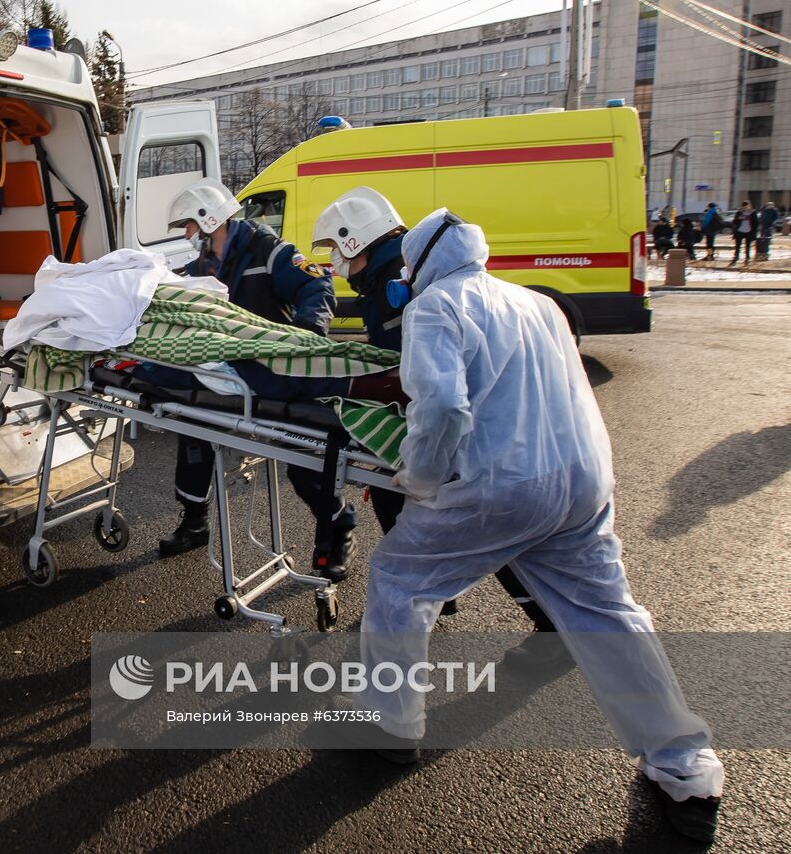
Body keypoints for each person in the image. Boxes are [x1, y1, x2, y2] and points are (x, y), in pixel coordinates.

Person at [345, 208, 724, 842]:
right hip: (580, 481)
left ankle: (392, 724)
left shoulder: (435, 308)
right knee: (608, 614)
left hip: (500, 488)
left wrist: (419, 480)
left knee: (400, 579)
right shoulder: (536, 304)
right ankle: (686, 767)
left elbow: (439, 408)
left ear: (423, 263)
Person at [314, 187, 563, 650]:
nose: (334, 264)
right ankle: (516, 611)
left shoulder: (400, 289)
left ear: (355, 241)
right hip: (527, 442)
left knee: (471, 522)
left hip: (467, 430)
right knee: (477, 522)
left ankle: (539, 618)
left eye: (334, 250)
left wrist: (353, 387)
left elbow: (418, 377)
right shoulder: (392, 277)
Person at [154, 178, 356, 582]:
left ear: (209, 220)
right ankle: (194, 521)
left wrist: (303, 337)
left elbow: (316, 285)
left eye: (190, 226)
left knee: (302, 461)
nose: (188, 235)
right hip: (227, 374)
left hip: (273, 374)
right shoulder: (200, 269)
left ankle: (339, 529)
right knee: (191, 429)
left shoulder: (269, 252)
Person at [729, 201, 757, 266]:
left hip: (749, 232)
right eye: (744, 206)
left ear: (749, 206)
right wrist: (739, 217)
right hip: (739, 231)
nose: (745, 208)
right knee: (737, 246)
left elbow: (755, 223)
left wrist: (754, 231)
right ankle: (736, 257)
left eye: (746, 206)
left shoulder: (752, 213)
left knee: (747, 246)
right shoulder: (739, 212)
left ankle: (747, 258)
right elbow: (735, 221)